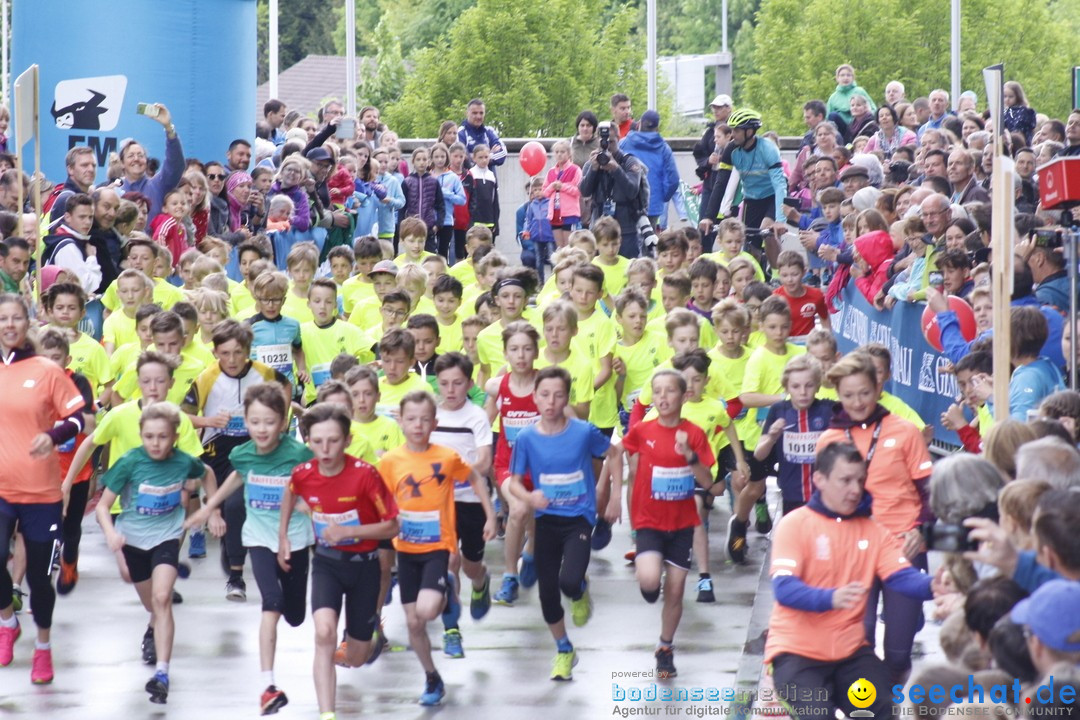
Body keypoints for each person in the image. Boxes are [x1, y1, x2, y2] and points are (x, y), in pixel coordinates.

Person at [765, 442, 934, 720]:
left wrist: (934, 586)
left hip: (851, 656)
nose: (856, 489)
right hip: (796, 655)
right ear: (819, 480)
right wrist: (831, 598)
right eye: (845, 480)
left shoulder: (873, 530)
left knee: (882, 711)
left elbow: (903, 578)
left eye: (860, 480)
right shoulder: (794, 524)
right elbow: (784, 589)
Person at [816, 353, 932, 685]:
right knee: (859, 642)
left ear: (878, 387)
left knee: (898, 654)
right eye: (848, 394)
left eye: (864, 392)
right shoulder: (829, 440)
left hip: (902, 550)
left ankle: (891, 700)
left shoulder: (905, 431)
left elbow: (930, 492)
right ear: (837, 394)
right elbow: (820, 505)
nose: (857, 402)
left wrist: (921, 531)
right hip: (852, 554)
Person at [279, 402, 400, 720]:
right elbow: (290, 493)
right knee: (323, 634)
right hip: (327, 564)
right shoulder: (303, 473)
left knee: (357, 657)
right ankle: (327, 713)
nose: (325, 448)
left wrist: (350, 530)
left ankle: (366, 637)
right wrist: (283, 538)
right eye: (317, 442)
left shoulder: (365, 475)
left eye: (333, 440)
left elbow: (393, 525)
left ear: (347, 440)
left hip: (365, 566)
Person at [378, 391, 496, 705]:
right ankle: (432, 677)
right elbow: (378, 500)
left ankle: (446, 595)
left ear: (435, 423)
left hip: (437, 548)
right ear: (400, 421)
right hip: (405, 550)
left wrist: (490, 515)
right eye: (411, 419)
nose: (418, 425)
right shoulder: (390, 462)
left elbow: (474, 477)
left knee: (427, 610)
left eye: (425, 419)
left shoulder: (445, 457)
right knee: (414, 622)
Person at [506, 366, 622, 681]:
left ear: (566, 398)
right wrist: (530, 498)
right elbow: (514, 482)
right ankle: (563, 649)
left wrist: (612, 497)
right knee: (547, 596)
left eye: (558, 395)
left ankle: (580, 590)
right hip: (545, 521)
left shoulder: (583, 431)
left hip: (578, 519)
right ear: (534, 398)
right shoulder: (527, 437)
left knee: (568, 581)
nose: (551, 401)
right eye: (544, 394)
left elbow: (614, 454)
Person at [95, 403, 212, 704]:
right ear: (141, 436)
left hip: (167, 537)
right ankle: (156, 620)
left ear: (175, 436)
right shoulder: (129, 463)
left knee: (162, 600)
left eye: (162, 437)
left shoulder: (185, 462)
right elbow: (102, 507)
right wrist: (110, 533)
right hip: (133, 540)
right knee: (152, 606)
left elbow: (206, 473)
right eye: (149, 437)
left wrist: (212, 510)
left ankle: (162, 673)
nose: (156, 443)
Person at [0, 293, 88, 685]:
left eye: (16, 318)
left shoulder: (46, 369)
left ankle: (43, 647)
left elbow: (79, 419)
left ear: (27, 323)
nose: (9, 325)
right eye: (2, 319)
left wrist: (52, 436)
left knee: (39, 579)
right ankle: (7, 621)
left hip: (41, 493)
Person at [616, 369, 719, 677]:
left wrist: (689, 456)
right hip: (649, 521)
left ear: (684, 395)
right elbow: (618, 452)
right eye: (657, 391)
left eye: (669, 391)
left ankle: (665, 647)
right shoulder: (643, 430)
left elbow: (708, 480)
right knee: (649, 583)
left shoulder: (694, 433)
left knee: (675, 591)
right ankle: (650, 582)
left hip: (682, 524)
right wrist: (607, 493)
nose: (662, 397)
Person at [431, 353, 494, 658]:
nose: (451, 390)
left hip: (471, 500)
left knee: (469, 565)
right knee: (448, 565)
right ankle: (451, 630)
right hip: (438, 503)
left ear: (470, 383)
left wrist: (462, 473)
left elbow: (484, 459)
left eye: (458, 383)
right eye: (444, 384)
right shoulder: (431, 415)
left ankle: (481, 582)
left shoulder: (476, 416)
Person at [579, 122, 646, 258]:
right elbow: (584, 191)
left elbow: (632, 191)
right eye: (604, 142)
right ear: (598, 140)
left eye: (612, 141)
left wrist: (616, 169)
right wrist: (594, 169)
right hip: (599, 229)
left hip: (626, 229)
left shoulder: (629, 162)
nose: (608, 145)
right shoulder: (592, 162)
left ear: (619, 138)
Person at [118, 103, 184, 223]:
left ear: (146, 161)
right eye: (131, 156)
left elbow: (175, 165)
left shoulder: (158, 185)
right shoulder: (116, 192)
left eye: (140, 155)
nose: (136, 159)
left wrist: (168, 127)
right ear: (122, 163)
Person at [619, 110, 678, 229]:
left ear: (639, 123)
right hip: (652, 204)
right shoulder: (664, 148)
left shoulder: (624, 143)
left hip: (626, 202)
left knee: (626, 242)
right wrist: (662, 197)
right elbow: (673, 180)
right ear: (657, 127)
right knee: (648, 242)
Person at [457, 99, 506, 169]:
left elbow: (503, 154)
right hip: (469, 178)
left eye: (481, 113)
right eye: (474, 113)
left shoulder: (489, 131)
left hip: (489, 178)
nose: (478, 116)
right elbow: (463, 158)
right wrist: (489, 154)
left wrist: (476, 156)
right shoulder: (460, 133)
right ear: (467, 113)